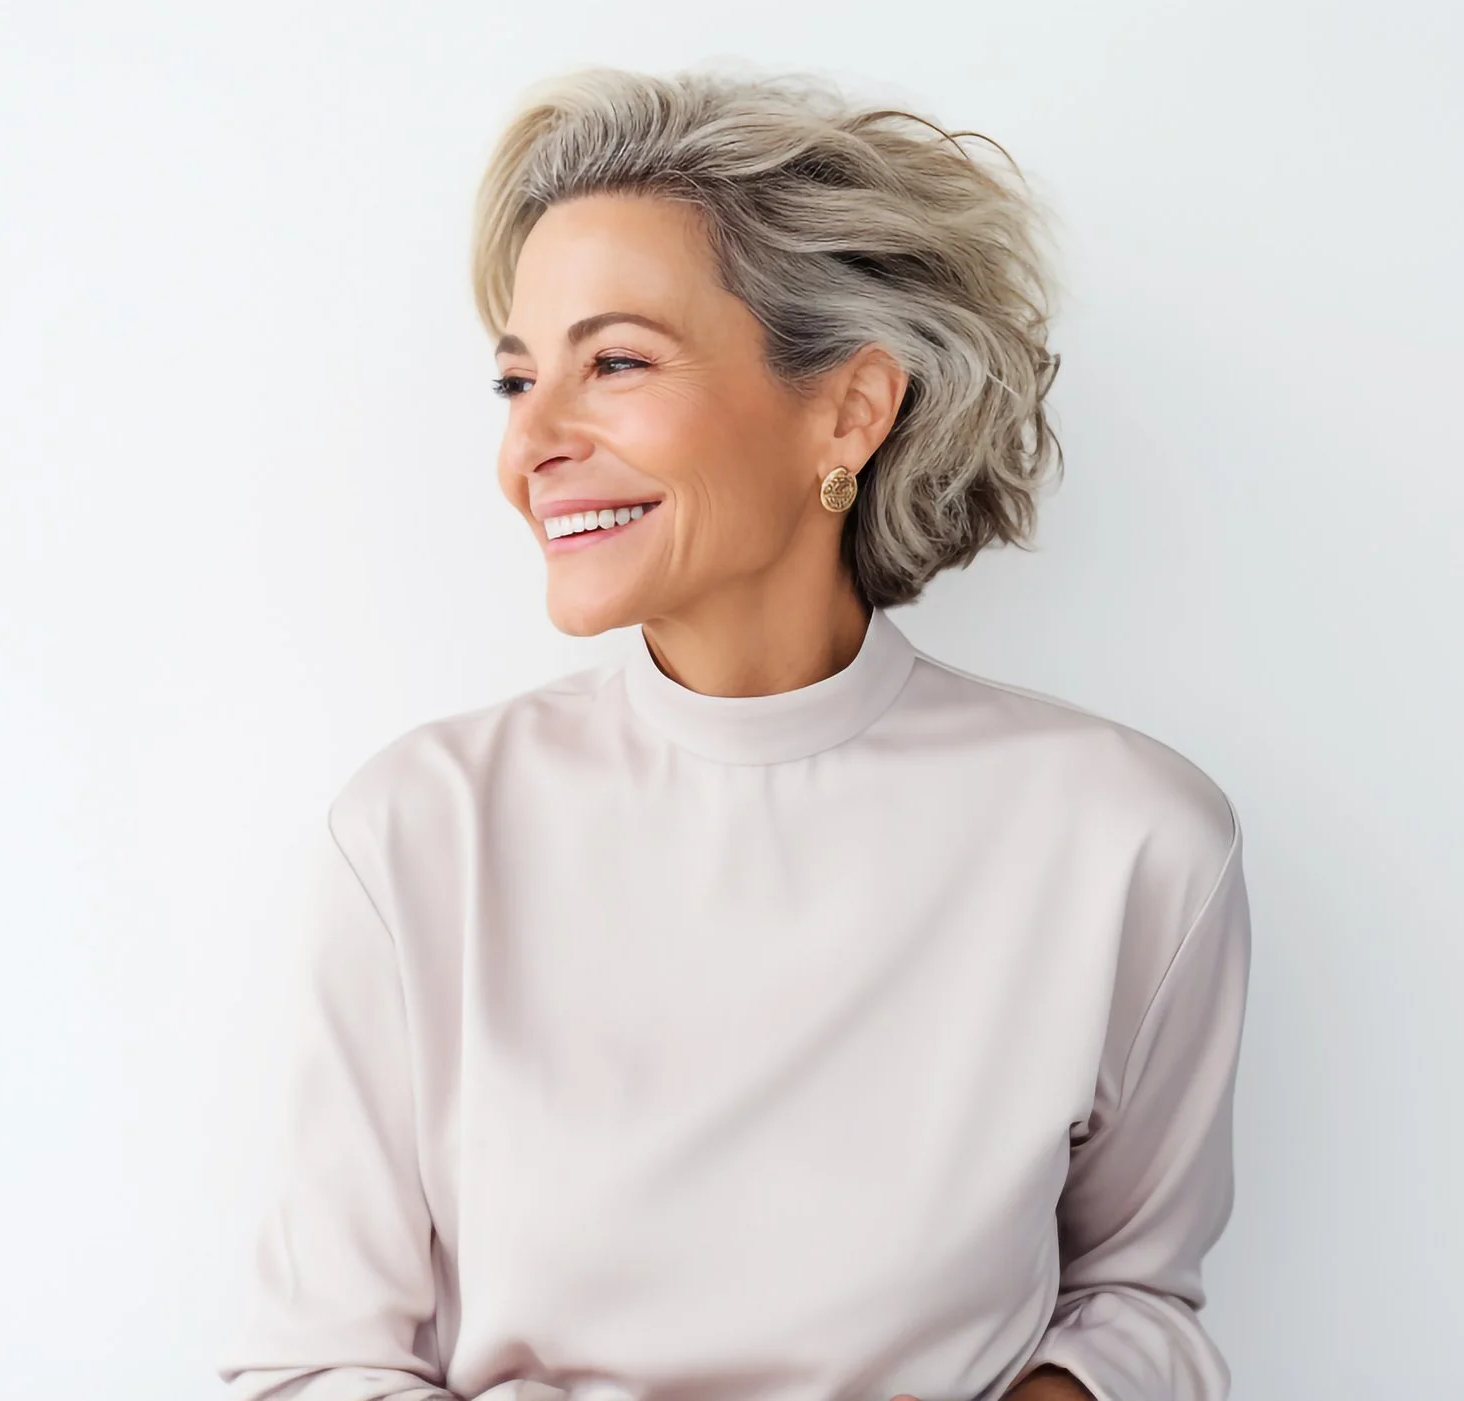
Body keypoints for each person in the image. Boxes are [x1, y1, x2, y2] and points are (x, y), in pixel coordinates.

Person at [215, 64, 1252, 1401]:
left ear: (850, 410)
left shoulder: (1128, 840)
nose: (531, 441)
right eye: (517, 379)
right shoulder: (423, 831)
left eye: (618, 363)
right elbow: (311, 1365)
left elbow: (1138, 1299)